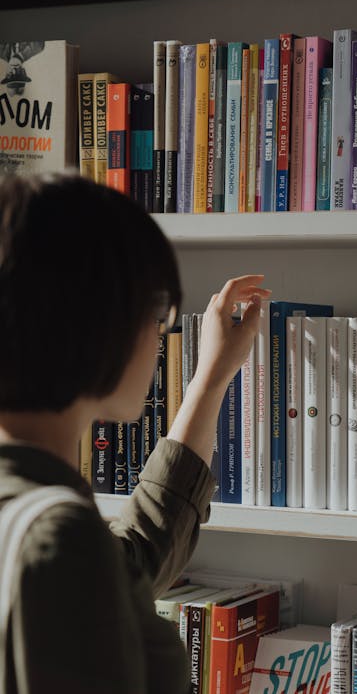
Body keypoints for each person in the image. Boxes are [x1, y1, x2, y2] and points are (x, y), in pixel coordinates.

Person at [0, 171, 271, 694]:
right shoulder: (58, 544)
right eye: (156, 313)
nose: (160, 335)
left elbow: (132, 560)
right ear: (98, 322)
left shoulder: (39, 521)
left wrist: (210, 380)